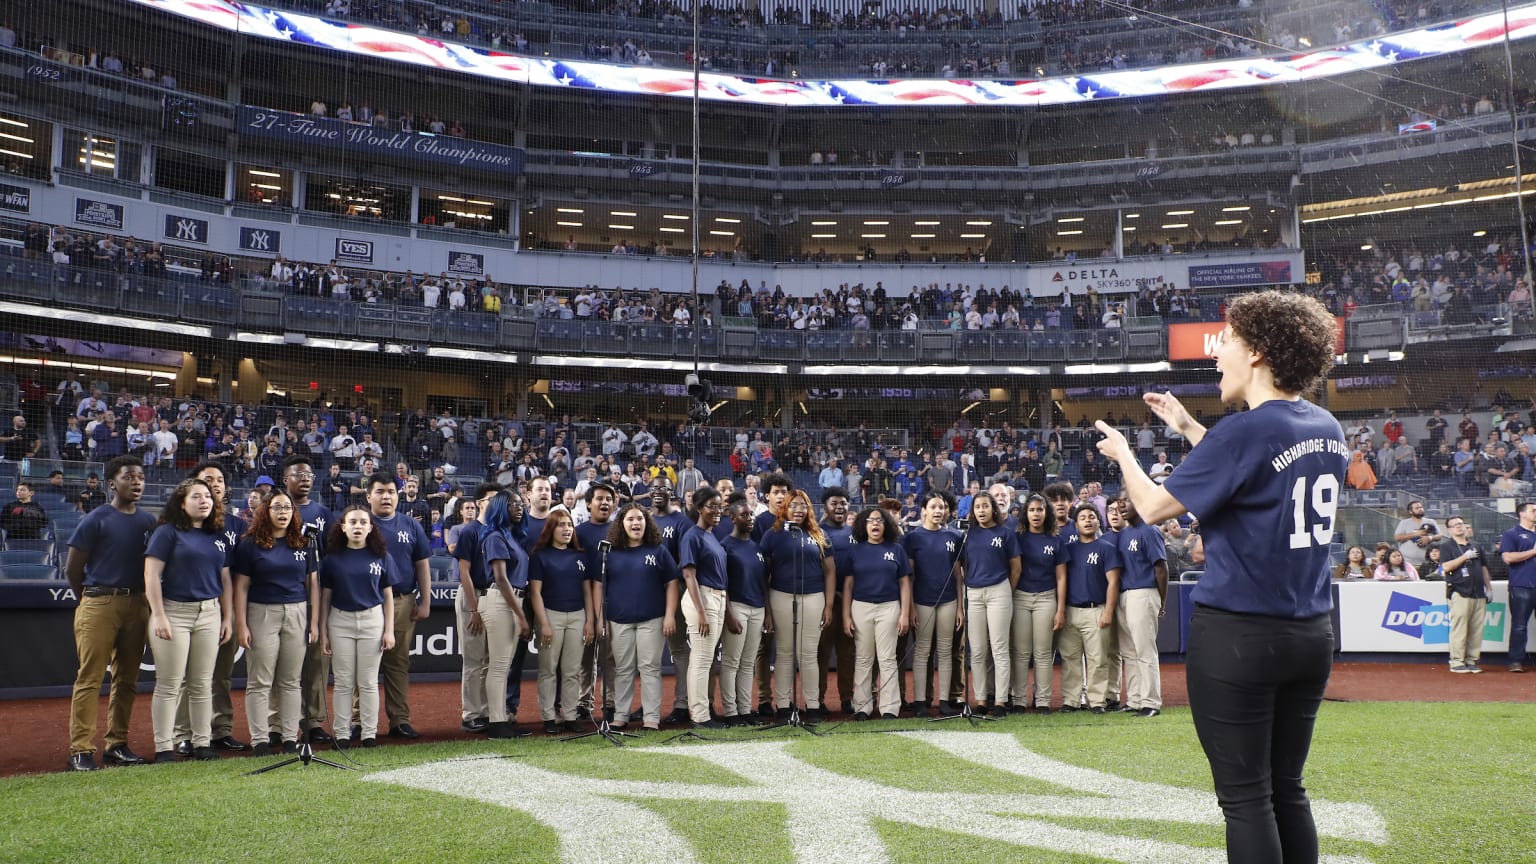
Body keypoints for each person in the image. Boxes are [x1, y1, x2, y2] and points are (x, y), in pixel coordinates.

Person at [1095, 289, 1346, 863]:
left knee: (1246, 798)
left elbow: (1157, 508)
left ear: (1257, 352)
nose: (1217, 355)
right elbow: (1255, 469)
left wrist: (1125, 457)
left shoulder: (1244, 431)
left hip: (1239, 635)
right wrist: (1188, 426)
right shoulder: (1325, 425)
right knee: (1287, 789)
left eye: (1227, 342)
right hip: (1310, 634)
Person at [65, 456, 156, 771]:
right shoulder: (96, 518)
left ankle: (117, 744)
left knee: (127, 679)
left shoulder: (148, 522)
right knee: (90, 678)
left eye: (141, 476)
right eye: (129, 476)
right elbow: (73, 568)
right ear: (111, 483)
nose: (137, 482)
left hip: (137, 604)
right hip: (99, 601)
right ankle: (80, 749)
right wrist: (89, 601)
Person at [144, 478, 232, 763]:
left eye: (207, 496)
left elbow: (225, 578)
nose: (204, 500)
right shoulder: (167, 533)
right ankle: (164, 747)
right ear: (182, 503)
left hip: (209, 613)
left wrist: (227, 617)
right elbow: (151, 575)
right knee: (169, 684)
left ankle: (203, 743)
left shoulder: (218, 536)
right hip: (174, 612)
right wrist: (158, 615)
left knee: (202, 683)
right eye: (196, 496)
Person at [232, 490, 319, 756]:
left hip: (296, 612)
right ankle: (260, 738)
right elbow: (241, 587)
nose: (283, 512)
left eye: (287, 508)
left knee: (291, 681)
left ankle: (290, 736)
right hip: (261, 613)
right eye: (277, 507)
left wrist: (314, 623)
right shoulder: (250, 544)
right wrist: (241, 624)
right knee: (260, 681)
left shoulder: (305, 543)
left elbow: (313, 584)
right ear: (266, 511)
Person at [591, 503, 679, 731]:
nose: (635, 523)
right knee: (623, 669)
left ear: (646, 522)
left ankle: (651, 718)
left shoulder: (658, 549)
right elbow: (598, 586)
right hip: (619, 620)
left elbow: (671, 582)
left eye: (639, 518)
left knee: (650, 668)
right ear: (621, 524)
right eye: (630, 519)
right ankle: (621, 715)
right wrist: (601, 619)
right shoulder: (609, 552)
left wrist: (670, 614)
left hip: (652, 619)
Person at [319, 506, 395, 746]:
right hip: (340, 621)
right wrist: (323, 632)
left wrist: (389, 629)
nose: (358, 526)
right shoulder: (332, 559)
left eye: (363, 522)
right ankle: (341, 734)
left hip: (372, 620)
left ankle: (369, 734)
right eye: (353, 522)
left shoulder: (382, 556)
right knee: (343, 681)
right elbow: (324, 598)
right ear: (343, 527)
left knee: (368, 681)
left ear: (371, 527)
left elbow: (388, 595)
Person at [757, 489, 835, 721]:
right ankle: (783, 706)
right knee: (784, 653)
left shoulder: (819, 534)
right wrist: (767, 609)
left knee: (808, 654)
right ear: (785, 508)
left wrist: (829, 605)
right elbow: (764, 573)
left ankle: (812, 706)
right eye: (793, 505)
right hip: (780, 596)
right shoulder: (773, 534)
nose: (798, 510)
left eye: (803, 505)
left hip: (813, 597)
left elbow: (830, 570)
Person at [365, 472, 431, 740]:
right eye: (380, 491)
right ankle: (361, 721)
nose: (386, 496)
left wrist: (426, 600)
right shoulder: (358, 522)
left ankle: (399, 721)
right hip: (365, 604)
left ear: (399, 495)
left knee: (397, 663)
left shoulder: (410, 525)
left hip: (404, 601)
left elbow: (422, 564)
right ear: (369, 496)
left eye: (391, 491)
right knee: (364, 666)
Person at [282, 455, 334, 744]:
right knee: (285, 665)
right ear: (285, 479)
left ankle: (313, 722)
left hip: (316, 596)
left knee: (316, 661)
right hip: (282, 595)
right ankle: (281, 724)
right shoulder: (273, 508)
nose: (304, 478)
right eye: (298, 474)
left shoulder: (323, 512)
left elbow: (331, 553)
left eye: (309, 475)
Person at [842, 505, 911, 720]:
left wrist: (904, 614)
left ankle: (889, 708)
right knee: (863, 658)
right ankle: (862, 707)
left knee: (887, 658)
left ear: (886, 525)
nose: (875, 524)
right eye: (871, 520)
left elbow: (905, 584)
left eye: (880, 520)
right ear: (864, 524)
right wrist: (845, 615)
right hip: (861, 607)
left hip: (889, 607)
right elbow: (848, 586)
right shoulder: (855, 550)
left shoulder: (896, 549)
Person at [529, 508, 591, 733]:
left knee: (572, 669)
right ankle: (548, 717)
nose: (567, 529)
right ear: (551, 529)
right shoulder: (539, 555)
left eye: (569, 525)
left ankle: (571, 715)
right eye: (561, 525)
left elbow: (587, 591)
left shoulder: (580, 556)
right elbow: (535, 592)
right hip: (550, 615)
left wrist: (589, 621)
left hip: (577, 616)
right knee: (548, 669)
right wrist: (543, 622)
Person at [901, 490, 962, 716]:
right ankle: (919, 701)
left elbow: (958, 574)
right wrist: (912, 607)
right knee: (922, 652)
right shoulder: (913, 538)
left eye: (942, 507)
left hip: (948, 601)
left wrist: (960, 608)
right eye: (934, 507)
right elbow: (910, 576)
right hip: (923, 602)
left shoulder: (953, 537)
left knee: (945, 651)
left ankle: (944, 701)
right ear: (924, 510)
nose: (939, 511)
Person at [1056, 504, 1121, 714]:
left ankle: (1097, 701)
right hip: (1071, 610)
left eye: (1091, 517)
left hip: (1096, 609)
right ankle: (1071, 700)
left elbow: (1113, 582)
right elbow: (1061, 579)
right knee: (1070, 658)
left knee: (1098, 659)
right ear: (1076, 524)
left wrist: (1109, 611)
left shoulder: (1107, 548)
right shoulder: (1068, 549)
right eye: (1082, 517)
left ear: (1097, 522)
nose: (1087, 520)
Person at [479, 490, 532, 738]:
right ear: (501, 506)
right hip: (501, 600)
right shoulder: (495, 535)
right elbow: (500, 578)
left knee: (504, 665)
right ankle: (497, 722)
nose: (519, 507)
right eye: (514, 504)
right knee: (499, 666)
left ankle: (501, 720)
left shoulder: (510, 535)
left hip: (511, 600)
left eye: (521, 504)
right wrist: (521, 615)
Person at [961, 491, 1018, 717]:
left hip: (999, 591)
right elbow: (961, 565)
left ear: (993, 508)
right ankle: (981, 700)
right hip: (973, 593)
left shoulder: (1005, 533)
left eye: (985, 506)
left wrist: (1005, 591)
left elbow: (1016, 567)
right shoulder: (967, 535)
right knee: (977, 650)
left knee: (999, 648)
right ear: (972, 511)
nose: (981, 510)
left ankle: (1001, 701)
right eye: (977, 507)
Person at [678, 487, 729, 729]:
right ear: (699, 508)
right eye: (712, 506)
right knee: (701, 660)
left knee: (706, 660)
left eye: (719, 506)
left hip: (717, 598)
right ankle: (699, 716)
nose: (717, 511)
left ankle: (703, 711)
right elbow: (689, 575)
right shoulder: (692, 535)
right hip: (702, 598)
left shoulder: (711, 536)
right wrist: (700, 612)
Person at [1010, 493, 1065, 713]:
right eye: (1032, 510)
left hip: (1046, 598)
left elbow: (1061, 576)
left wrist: (1060, 609)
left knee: (1043, 653)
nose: (1036, 514)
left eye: (1040, 510)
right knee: (1021, 652)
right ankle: (1019, 700)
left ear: (1046, 513)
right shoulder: (1017, 538)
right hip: (1020, 598)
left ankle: (1042, 700)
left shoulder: (1055, 540)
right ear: (1026, 513)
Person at [1114, 494, 1167, 717]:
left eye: (1126, 501)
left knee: (1145, 651)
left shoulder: (1150, 529)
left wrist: (1161, 601)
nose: (1121, 505)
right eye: (1119, 502)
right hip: (1125, 595)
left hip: (1144, 592)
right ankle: (1134, 700)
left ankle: (1151, 702)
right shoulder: (1124, 533)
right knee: (1129, 651)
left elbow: (1161, 568)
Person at [453, 484, 498, 734]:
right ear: (480, 503)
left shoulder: (499, 530)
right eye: (492, 500)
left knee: (492, 660)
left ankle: (488, 711)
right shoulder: (471, 531)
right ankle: (471, 714)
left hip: (494, 596)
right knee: (473, 659)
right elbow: (463, 571)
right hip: (474, 596)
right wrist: (474, 609)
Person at [718, 496, 767, 725]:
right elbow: (723, 584)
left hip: (757, 609)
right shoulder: (725, 546)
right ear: (732, 517)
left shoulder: (756, 547)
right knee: (731, 662)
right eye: (744, 515)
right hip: (736, 607)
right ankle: (731, 712)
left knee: (748, 663)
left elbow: (763, 582)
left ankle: (745, 710)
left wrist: (766, 612)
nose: (750, 519)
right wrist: (728, 614)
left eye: (751, 515)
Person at [817, 486, 856, 714]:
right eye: (834, 503)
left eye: (843, 503)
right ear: (826, 507)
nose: (839, 507)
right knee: (821, 653)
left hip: (850, 603)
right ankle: (818, 700)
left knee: (847, 653)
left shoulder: (855, 533)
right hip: (824, 602)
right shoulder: (818, 533)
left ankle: (847, 699)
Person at [1441, 515, 1491, 674]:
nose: (1458, 527)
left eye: (1460, 524)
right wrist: (1464, 557)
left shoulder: (1476, 545)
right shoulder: (1447, 546)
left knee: (1476, 629)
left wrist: (1488, 588)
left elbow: (1483, 568)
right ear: (1449, 529)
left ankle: (1471, 660)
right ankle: (1456, 661)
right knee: (1459, 628)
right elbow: (1446, 567)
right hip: (1460, 591)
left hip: (1478, 592)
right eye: (1454, 525)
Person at [1498, 502, 1536, 672]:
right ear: (1522, 514)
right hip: (1521, 586)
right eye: (1533, 510)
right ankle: (1516, 661)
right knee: (1519, 625)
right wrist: (1533, 551)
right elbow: (1508, 558)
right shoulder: (1511, 534)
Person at [1393, 501, 1440, 569]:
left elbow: (1439, 536)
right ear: (1410, 511)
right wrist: (1415, 534)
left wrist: (1429, 538)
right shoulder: (1404, 523)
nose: (1420, 509)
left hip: (1428, 563)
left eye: (1421, 507)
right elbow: (1397, 537)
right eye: (1417, 508)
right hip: (1408, 563)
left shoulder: (1431, 522)